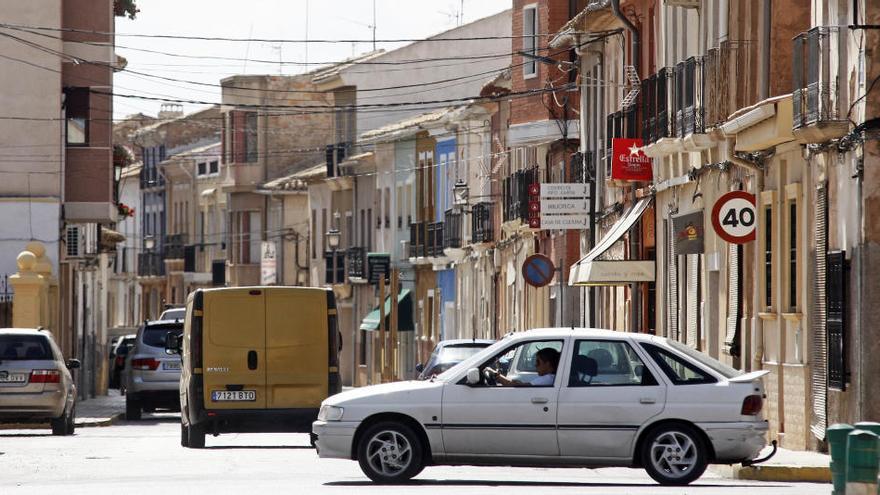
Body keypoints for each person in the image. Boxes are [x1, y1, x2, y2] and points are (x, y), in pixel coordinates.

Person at [489, 347, 560, 386]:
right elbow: (521, 385)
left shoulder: (547, 379)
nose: (535, 365)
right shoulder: (551, 378)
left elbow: (518, 387)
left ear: (547, 364)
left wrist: (495, 375)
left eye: (538, 362)